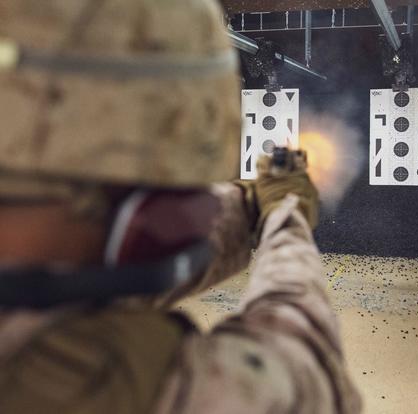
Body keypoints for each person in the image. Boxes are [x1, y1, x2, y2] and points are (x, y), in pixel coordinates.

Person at [0, 1, 361, 413]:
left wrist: (249, 204)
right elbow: (306, 362)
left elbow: (72, 281)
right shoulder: (90, 383)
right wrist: (287, 217)